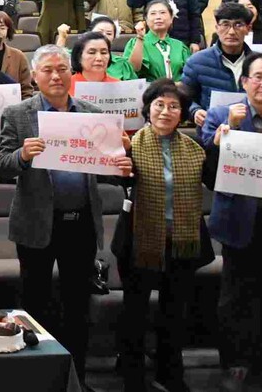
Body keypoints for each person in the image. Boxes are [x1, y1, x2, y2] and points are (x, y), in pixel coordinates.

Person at [0, 45, 133, 385]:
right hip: (36, 223)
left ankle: (76, 380)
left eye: (62, 69)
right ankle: (35, 379)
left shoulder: (92, 113)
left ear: (72, 73)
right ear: (35, 76)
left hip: (81, 223)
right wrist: (23, 155)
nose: (56, 76)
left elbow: (111, 172)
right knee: (35, 306)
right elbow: (1, 165)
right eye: (48, 70)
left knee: (77, 307)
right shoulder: (18, 114)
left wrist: (123, 159)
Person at [117, 79, 210, 392]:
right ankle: (132, 376)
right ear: (148, 109)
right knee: (135, 312)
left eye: (173, 106)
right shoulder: (131, 145)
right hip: (139, 240)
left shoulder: (195, 149)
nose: (165, 111)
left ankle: (170, 374)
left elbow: (215, 180)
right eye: (159, 105)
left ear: (182, 114)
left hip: (182, 243)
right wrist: (121, 165)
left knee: (174, 314)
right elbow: (118, 178)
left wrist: (221, 143)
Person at [201, 54, 262, 392]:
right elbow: (209, 172)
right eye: (258, 77)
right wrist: (228, 132)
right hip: (239, 220)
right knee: (235, 297)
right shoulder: (222, 115)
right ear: (244, 82)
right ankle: (233, 363)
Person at [181, 1, 253, 127]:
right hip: (211, 130)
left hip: (252, 130)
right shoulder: (197, 62)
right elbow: (184, 98)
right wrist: (195, 111)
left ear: (248, 29)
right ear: (217, 28)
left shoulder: (257, 63)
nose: (231, 31)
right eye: (225, 24)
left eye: (238, 25)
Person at [120, 0, 192, 83]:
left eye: (163, 12)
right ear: (146, 20)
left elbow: (190, 75)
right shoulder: (135, 43)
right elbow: (132, 69)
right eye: (153, 13)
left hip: (177, 90)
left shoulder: (180, 46)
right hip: (148, 90)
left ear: (171, 18)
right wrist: (140, 38)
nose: (158, 17)